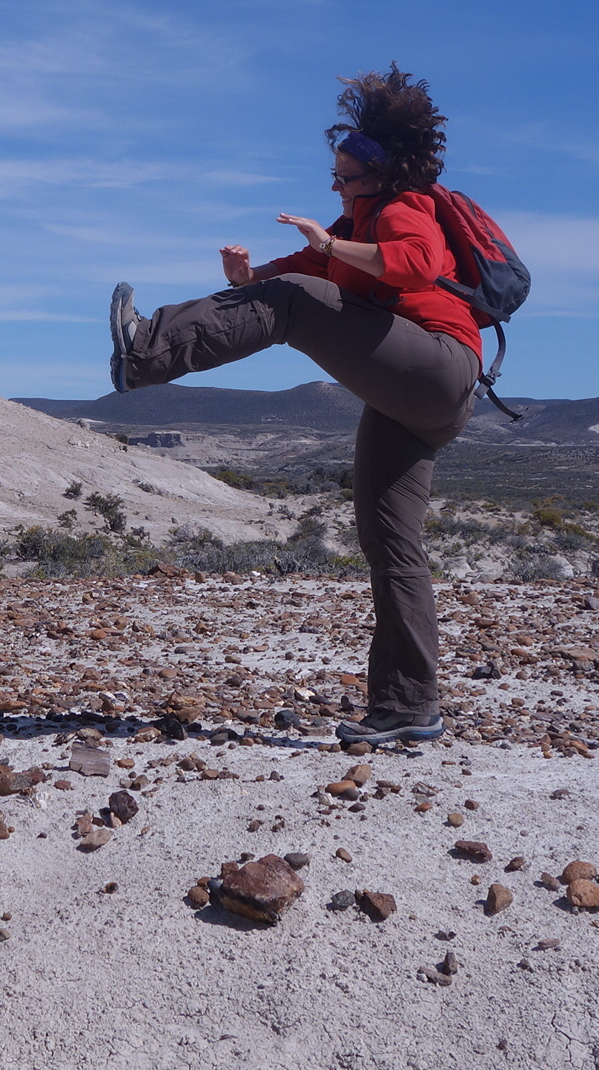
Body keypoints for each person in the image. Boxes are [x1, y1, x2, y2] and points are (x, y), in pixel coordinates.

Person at [106, 65, 477, 745]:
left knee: (293, 307)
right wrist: (248, 278)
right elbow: (289, 278)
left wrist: (330, 248)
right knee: (390, 540)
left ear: (377, 175)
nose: (334, 185)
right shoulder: (355, 220)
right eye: (333, 175)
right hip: (414, 396)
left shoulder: (402, 209)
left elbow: (417, 265)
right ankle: (409, 706)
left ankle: (144, 354)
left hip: (438, 369)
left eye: (343, 177)